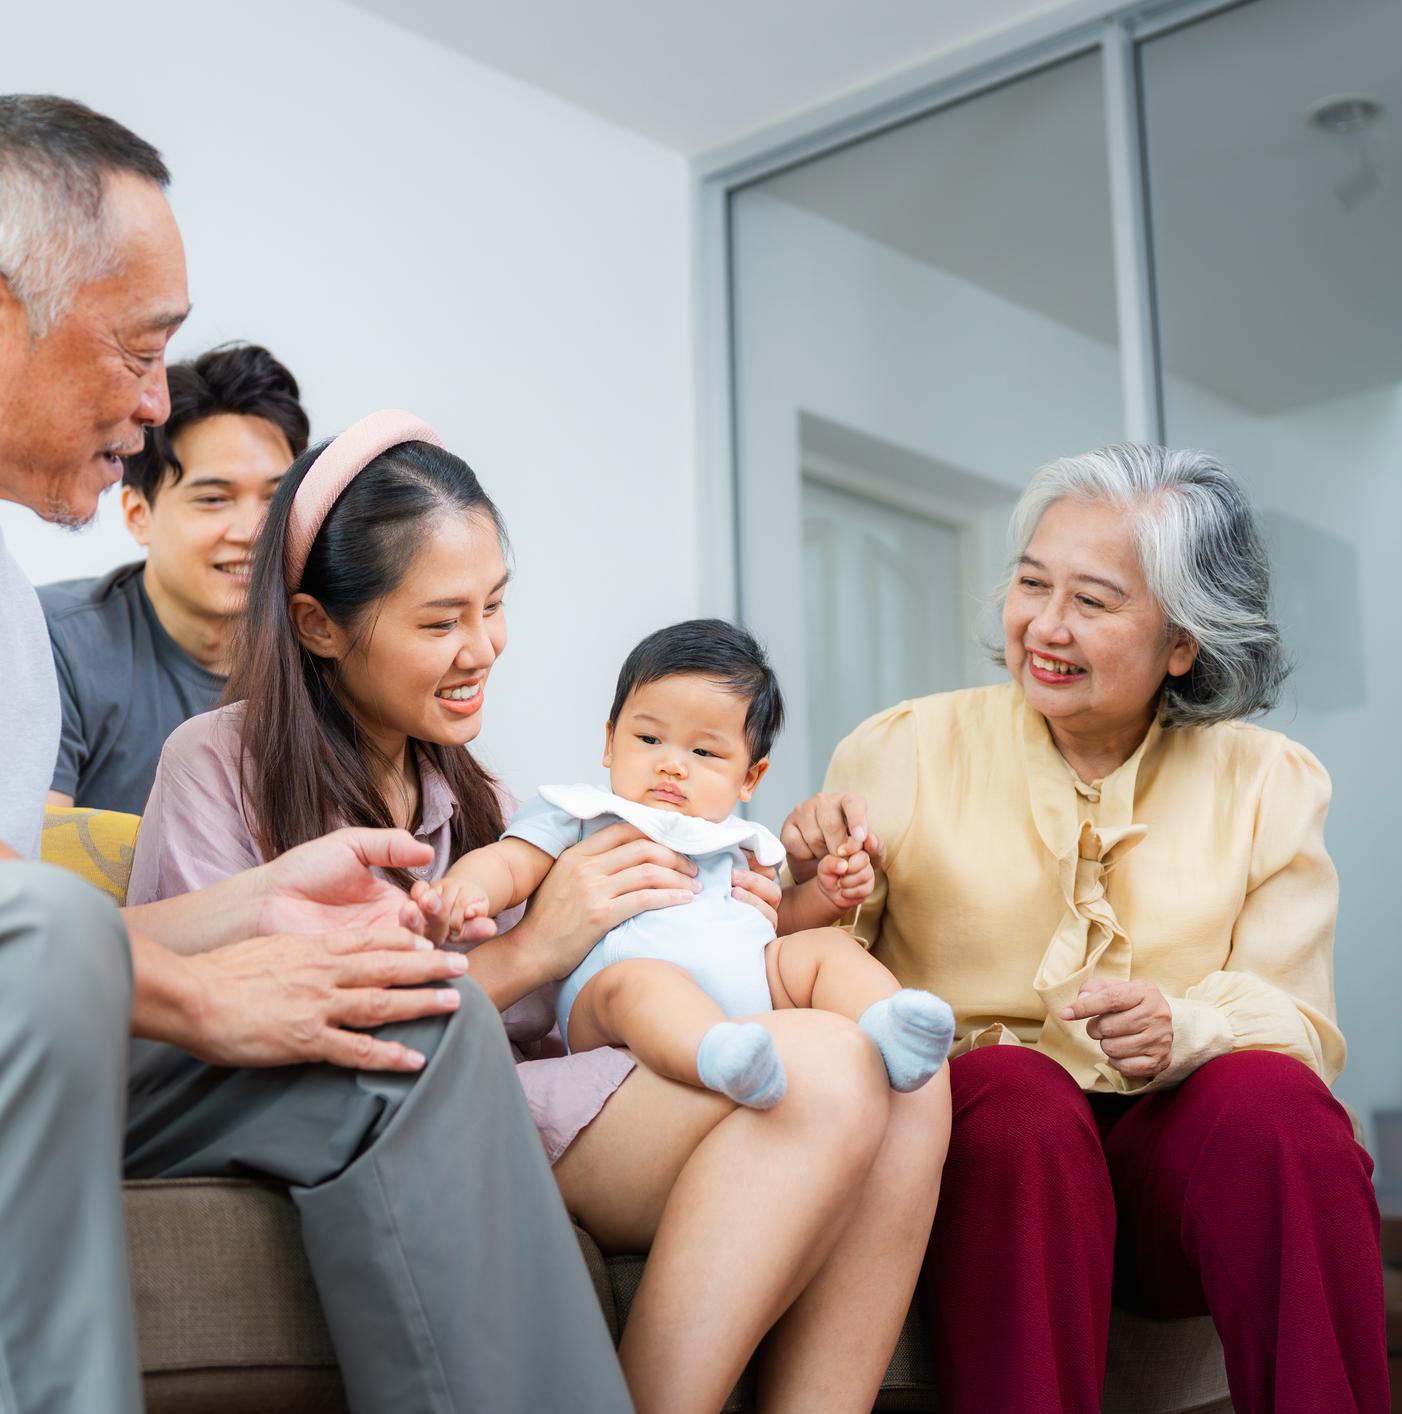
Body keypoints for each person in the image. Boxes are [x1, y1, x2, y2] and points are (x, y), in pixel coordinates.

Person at [0, 95, 629, 1413]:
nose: (153, 406)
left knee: (398, 1015)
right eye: (138, 352)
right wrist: (202, 991)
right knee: (23, 944)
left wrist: (258, 910)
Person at [130, 410, 951, 1414]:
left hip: (567, 1080)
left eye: (495, 605)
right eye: (440, 621)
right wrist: (537, 943)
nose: (484, 648)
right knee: (827, 1067)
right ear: (319, 624)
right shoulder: (218, 764)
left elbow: (599, 992)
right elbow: (263, 1031)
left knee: (913, 1080)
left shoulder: (481, 796)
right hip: (424, 1109)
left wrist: (754, 911)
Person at [781, 444, 1387, 1414]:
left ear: (1182, 642)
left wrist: (1182, 1025)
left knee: (1281, 1105)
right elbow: (808, 972)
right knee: (1019, 1097)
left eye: (1094, 602)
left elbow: (1299, 1020)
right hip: (984, 1167)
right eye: (1031, 584)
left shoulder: (1269, 779)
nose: (1044, 627)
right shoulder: (902, 748)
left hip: (1165, 1171)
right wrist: (805, 886)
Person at [435, 617, 956, 1110]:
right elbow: (509, 863)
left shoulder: (739, 842)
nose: (672, 763)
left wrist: (824, 896)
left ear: (750, 778)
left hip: (751, 999)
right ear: (609, 741)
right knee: (641, 983)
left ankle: (891, 1030)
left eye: (705, 753)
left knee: (824, 948)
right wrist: (467, 888)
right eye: (649, 738)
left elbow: (773, 924)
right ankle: (716, 1055)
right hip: (612, 1006)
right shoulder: (583, 812)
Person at [44, 342, 309, 812]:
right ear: (137, 513)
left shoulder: (326, 651)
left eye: (275, 499)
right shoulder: (55, 642)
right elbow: (31, 858)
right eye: (213, 499)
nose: (252, 532)